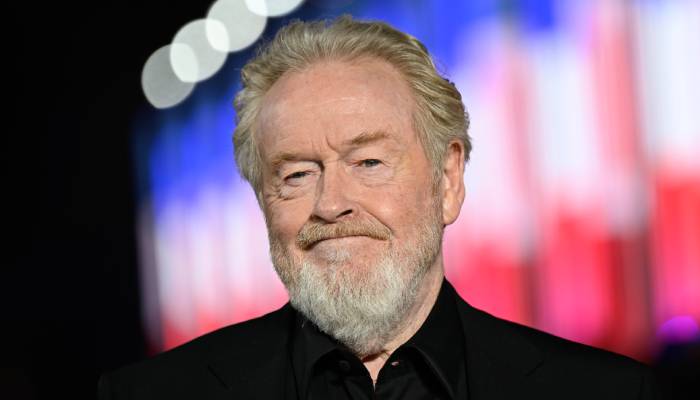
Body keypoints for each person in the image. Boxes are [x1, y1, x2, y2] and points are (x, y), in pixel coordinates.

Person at [98, 16, 657, 399]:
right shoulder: (152, 394)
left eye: (368, 162)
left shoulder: (604, 392)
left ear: (447, 180)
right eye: (296, 174)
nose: (331, 204)